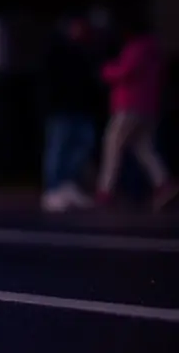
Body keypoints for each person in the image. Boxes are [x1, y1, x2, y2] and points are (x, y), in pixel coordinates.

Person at [94, 24, 178, 211]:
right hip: (148, 106)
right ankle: (164, 183)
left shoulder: (137, 48)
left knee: (112, 145)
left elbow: (124, 71)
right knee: (144, 148)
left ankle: (105, 191)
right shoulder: (155, 50)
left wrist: (105, 70)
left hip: (128, 106)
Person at [40, 16, 103, 212]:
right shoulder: (56, 49)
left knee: (82, 146)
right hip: (61, 108)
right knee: (58, 148)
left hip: (81, 107)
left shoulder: (84, 50)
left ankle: (69, 186)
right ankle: (52, 190)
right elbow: (49, 80)